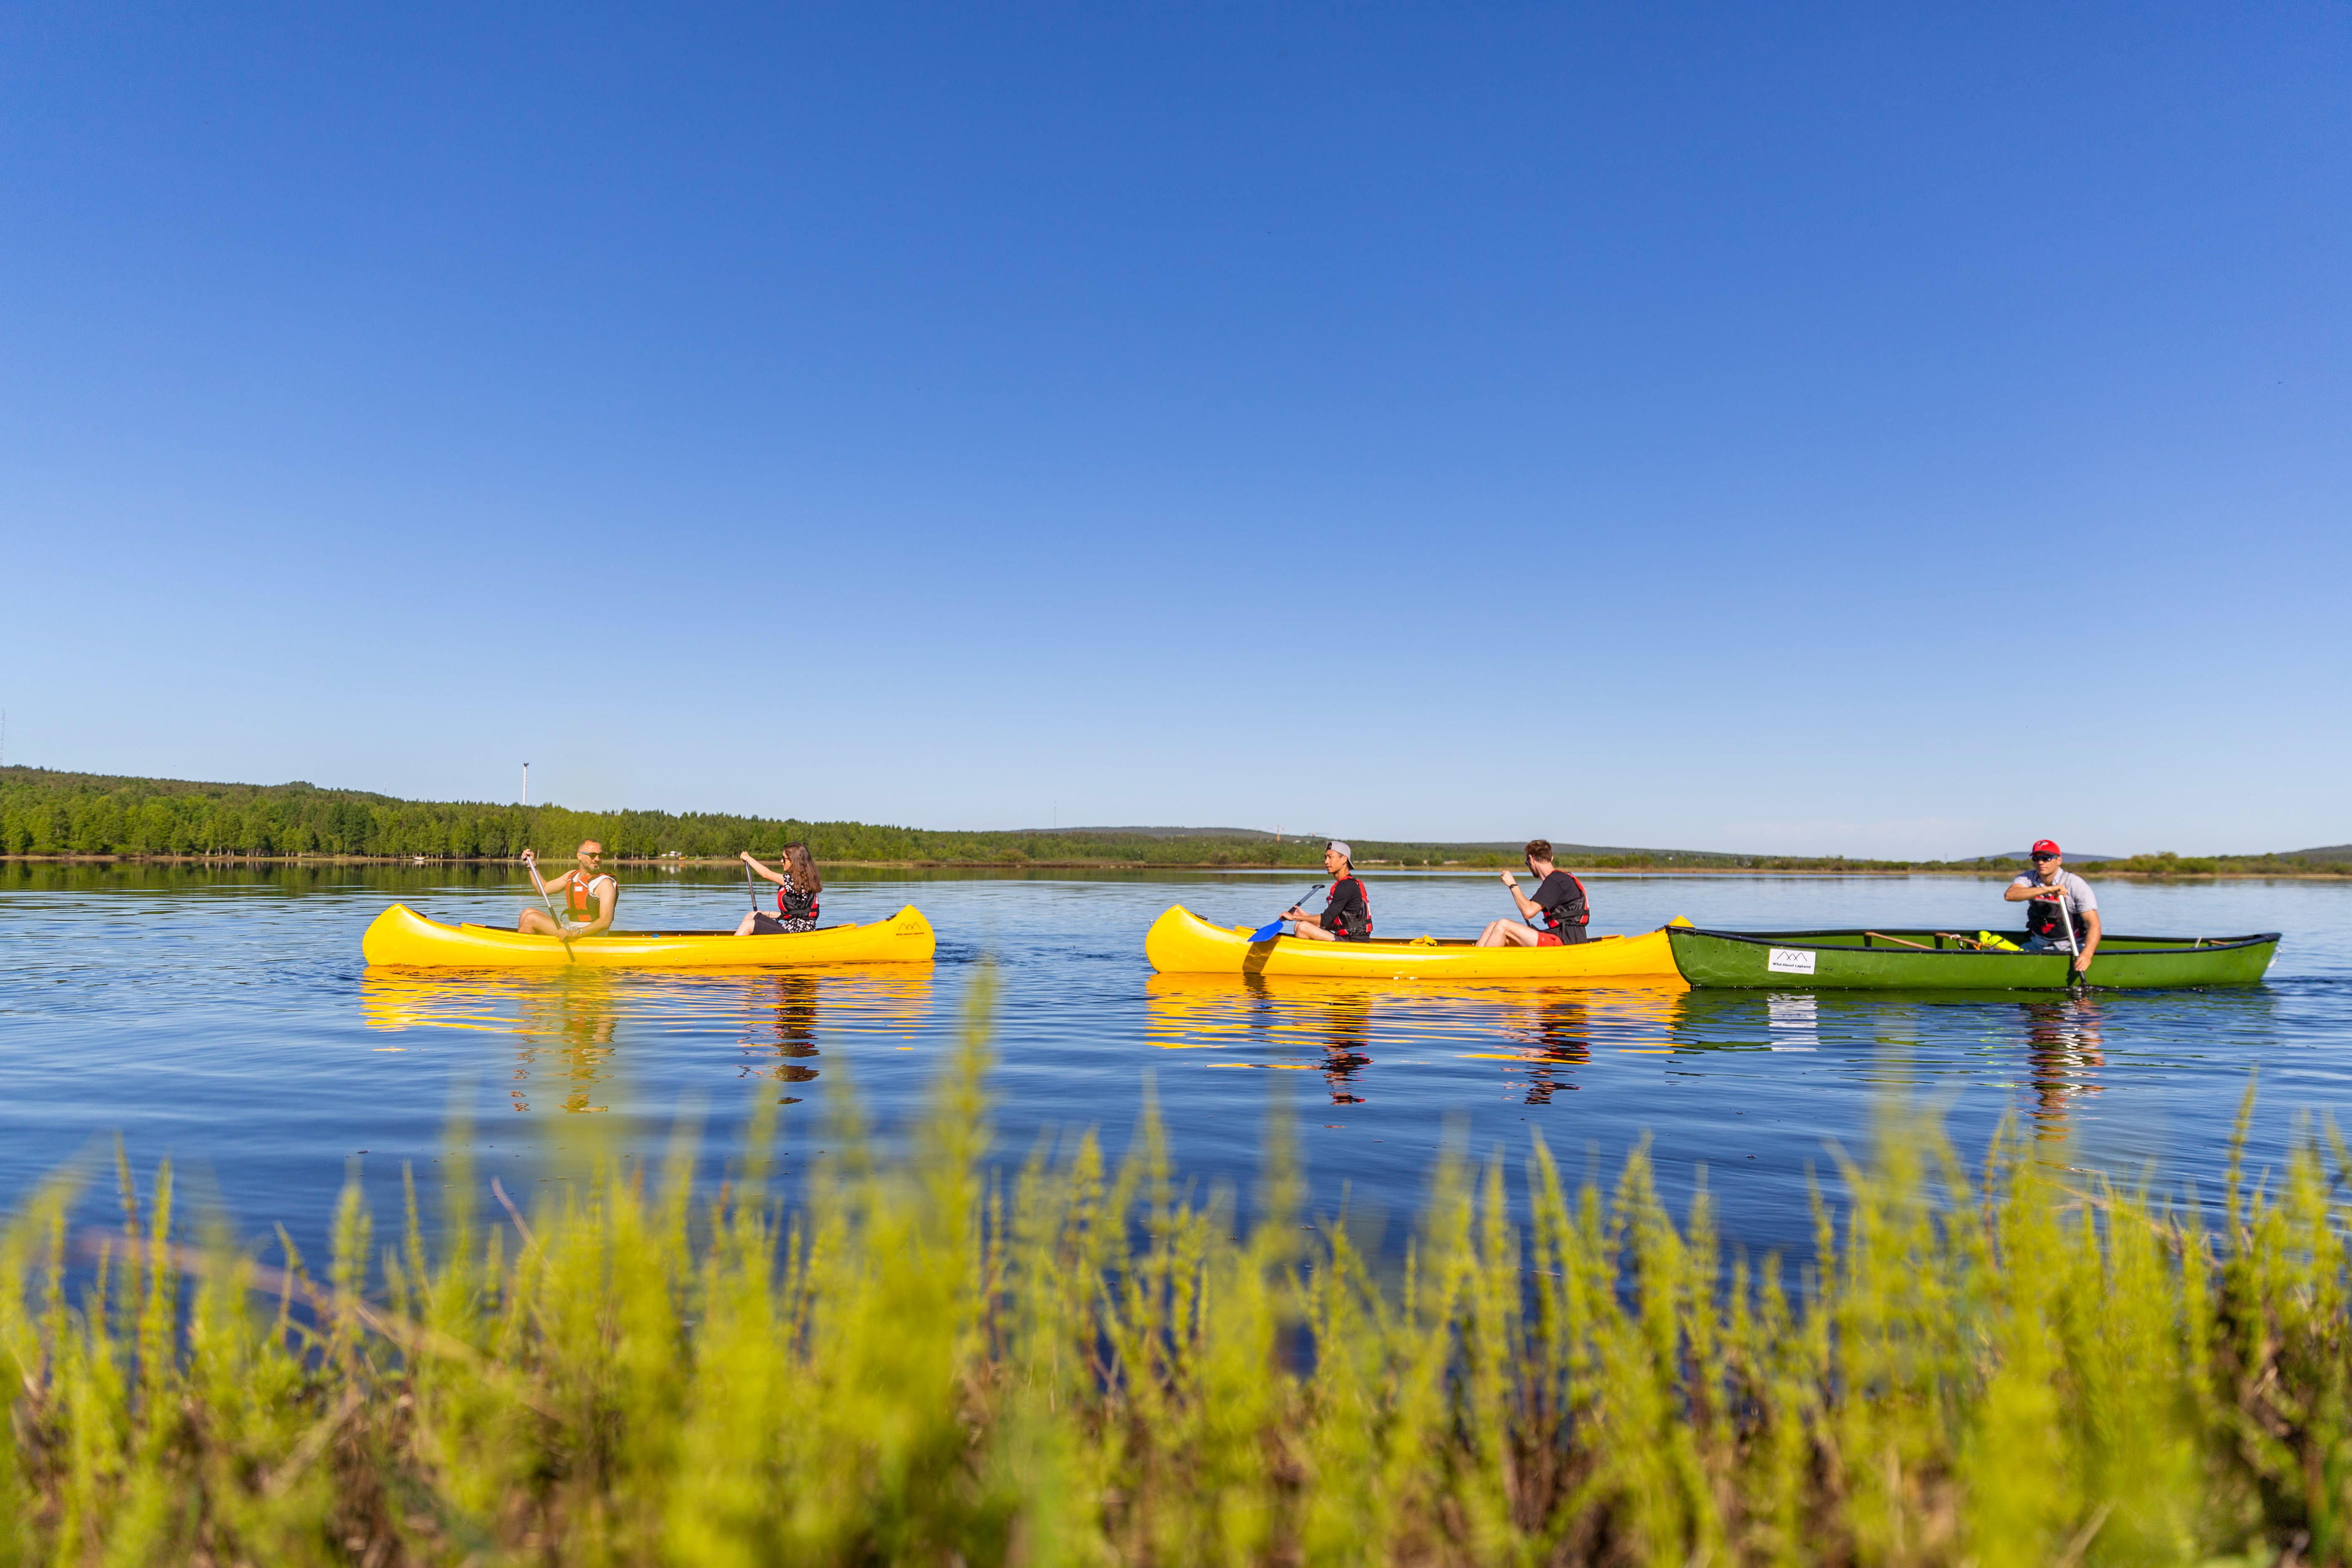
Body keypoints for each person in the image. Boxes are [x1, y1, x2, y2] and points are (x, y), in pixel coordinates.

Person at [2003, 838, 2100, 978]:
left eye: (2046, 858)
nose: (2041, 863)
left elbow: (2094, 924)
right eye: (2036, 859)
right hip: (2037, 944)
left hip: (2070, 947)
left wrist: (2087, 954)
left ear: (2059, 860)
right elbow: (2010, 895)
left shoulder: (2076, 884)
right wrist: (2048, 889)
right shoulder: (2028, 878)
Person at [1477, 839, 1591, 947]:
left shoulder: (1556, 881)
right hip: (1561, 936)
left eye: (1527, 863)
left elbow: (1528, 912)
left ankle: (1480, 960)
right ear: (1551, 858)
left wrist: (1513, 885)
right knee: (1493, 926)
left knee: (1503, 925)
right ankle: (1474, 957)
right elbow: (1528, 908)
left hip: (1567, 941)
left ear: (1531, 859)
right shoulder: (1557, 880)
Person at [518, 841, 616, 938]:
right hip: (573, 929)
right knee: (527, 913)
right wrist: (532, 865)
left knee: (530, 919)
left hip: (590, 935)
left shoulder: (605, 883)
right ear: (580, 856)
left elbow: (605, 921)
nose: (598, 859)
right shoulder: (572, 876)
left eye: (601, 856)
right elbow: (543, 889)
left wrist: (575, 933)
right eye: (593, 855)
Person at [1283, 842, 1372, 942]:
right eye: (1326, 858)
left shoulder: (1345, 887)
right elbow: (1334, 924)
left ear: (1344, 859)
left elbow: (1325, 920)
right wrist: (1305, 917)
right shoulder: (1347, 884)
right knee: (1300, 924)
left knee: (1303, 927)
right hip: (1347, 938)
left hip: (1353, 942)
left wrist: (1294, 917)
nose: (1326, 862)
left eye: (1330, 857)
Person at [736, 844, 824, 935]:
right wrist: (765, 913)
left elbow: (766, 874)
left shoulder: (799, 881)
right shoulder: (801, 880)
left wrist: (748, 858)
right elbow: (795, 914)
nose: (781, 861)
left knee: (748, 925)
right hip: (791, 928)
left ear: (795, 861)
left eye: (784, 859)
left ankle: (734, 943)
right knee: (752, 916)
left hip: (799, 932)